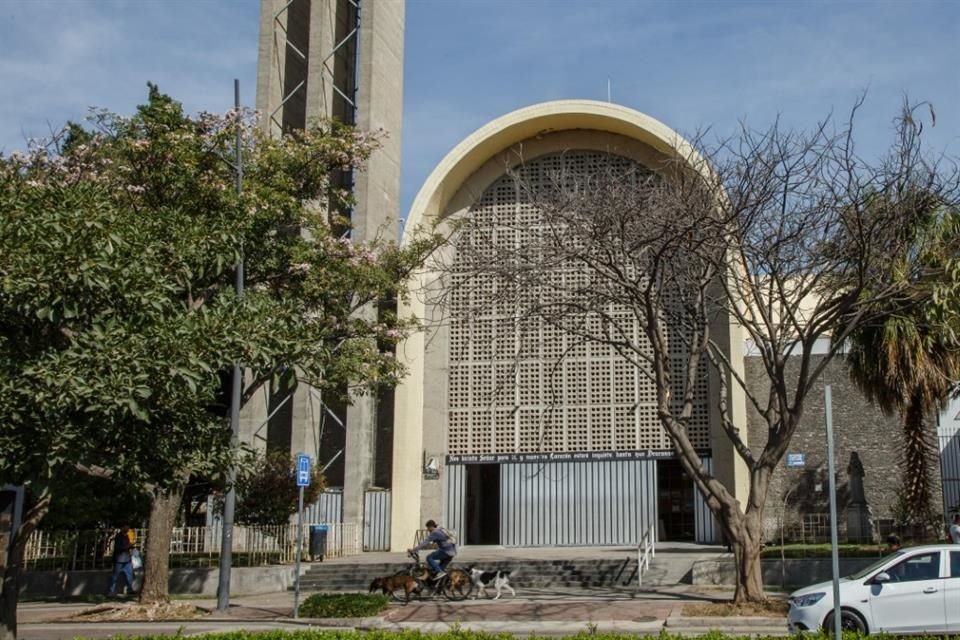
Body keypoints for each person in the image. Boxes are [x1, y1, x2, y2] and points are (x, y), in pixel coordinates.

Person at [107, 527, 136, 596]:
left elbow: (127, 545)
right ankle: (111, 590)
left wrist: (131, 545)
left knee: (130, 574)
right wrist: (129, 545)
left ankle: (130, 589)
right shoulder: (119, 537)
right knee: (115, 576)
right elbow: (120, 547)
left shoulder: (126, 536)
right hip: (119, 559)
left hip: (126, 559)